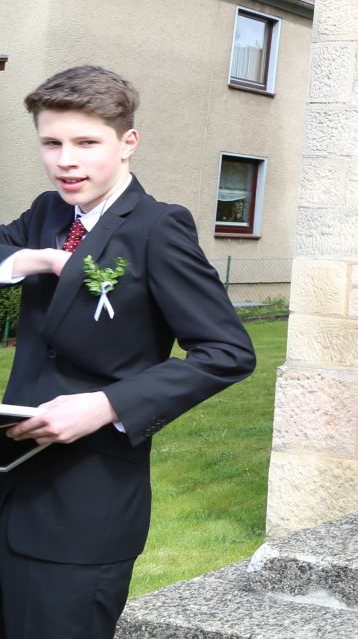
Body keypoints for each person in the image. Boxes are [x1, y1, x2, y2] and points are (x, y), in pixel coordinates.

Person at [0, 65, 256, 639]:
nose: (67, 160)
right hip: (12, 492)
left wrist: (108, 406)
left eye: (87, 143)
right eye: (52, 143)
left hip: (85, 511)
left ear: (127, 143)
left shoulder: (159, 229)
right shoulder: (47, 216)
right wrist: (40, 259)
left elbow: (228, 351)